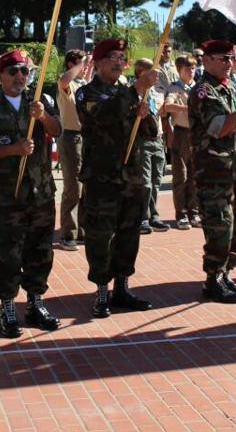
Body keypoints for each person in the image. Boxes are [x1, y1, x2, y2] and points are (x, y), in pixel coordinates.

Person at [0, 50, 63, 338]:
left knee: (40, 250)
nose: (20, 77)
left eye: (24, 71)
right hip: (7, 196)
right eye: (13, 71)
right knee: (8, 252)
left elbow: (59, 129)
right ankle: (8, 306)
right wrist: (12, 150)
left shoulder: (39, 100)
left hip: (40, 193)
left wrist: (44, 116)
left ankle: (36, 302)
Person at [76, 38, 157, 318]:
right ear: (97, 62)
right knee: (100, 234)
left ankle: (122, 287)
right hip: (102, 177)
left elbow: (151, 133)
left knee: (129, 232)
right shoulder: (86, 93)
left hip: (131, 176)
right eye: (112, 56)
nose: (118, 61)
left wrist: (145, 116)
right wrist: (136, 90)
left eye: (122, 57)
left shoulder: (131, 92)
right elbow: (101, 115)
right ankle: (101, 291)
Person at [189, 40, 236, 303]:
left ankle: (225, 273)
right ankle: (213, 278)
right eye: (223, 58)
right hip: (214, 173)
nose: (229, 63)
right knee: (220, 226)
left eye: (232, 58)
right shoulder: (203, 91)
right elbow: (220, 127)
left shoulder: (231, 88)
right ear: (206, 60)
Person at [56, 49, 91, 250]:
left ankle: (82, 229)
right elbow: (63, 80)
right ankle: (68, 232)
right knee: (73, 186)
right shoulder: (67, 84)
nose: (85, 66)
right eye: (80, 63)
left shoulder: (83, 84)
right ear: (71, 64)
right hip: (70, 136)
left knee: (86, 185)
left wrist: (89, 63)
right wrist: (82, 63)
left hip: (85, 136)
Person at [161, 55, 200, 229]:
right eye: (187, 68)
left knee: (195, 175)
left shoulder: (198, 88)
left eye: (193, 68)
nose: (191, 71)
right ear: (179, 70)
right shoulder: (175, 88)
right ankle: (181, 213)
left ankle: (194, 211)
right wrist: (188, 108)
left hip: (197, 133)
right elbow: (167, 106)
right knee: (181, 176)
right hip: (181, 133)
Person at [133, 58, 169, 233]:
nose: (156, 77)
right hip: (143, 141)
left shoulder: (158, 92)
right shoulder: (135, 92)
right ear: (142, 73)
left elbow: (161, 114)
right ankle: (142, 217)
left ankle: (154, 216)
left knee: (156, 181)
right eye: (153, 73)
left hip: (158, 140)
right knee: (145, 182)